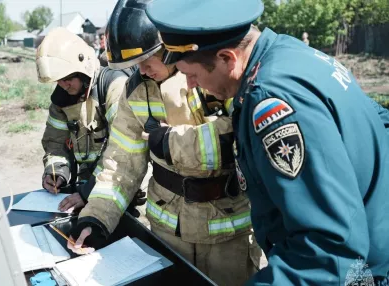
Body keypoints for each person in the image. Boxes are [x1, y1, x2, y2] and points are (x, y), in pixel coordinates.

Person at [145, 0, 389, 284]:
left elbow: (327, 251)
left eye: (192, 75)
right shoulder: (292, 53)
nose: (189, 85)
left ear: (227, 58)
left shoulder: (271, 103)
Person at [67, 1, 261, 285]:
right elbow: (121, 164)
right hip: (168, 233)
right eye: (135, 66)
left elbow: (240, 138)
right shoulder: (135, 92)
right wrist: (96, 218)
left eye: (147, 61)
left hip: (228, 236)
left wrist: (171, 143)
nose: (142, 71)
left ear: (169, 44)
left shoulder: (211, 72)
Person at [36, 27, 143, 214]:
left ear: (83, 66)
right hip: (83, 188)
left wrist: (88, 192)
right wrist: (56, 172)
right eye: (58, 80)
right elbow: (55, 143)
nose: (64, 85)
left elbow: (122, 151)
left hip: (113, 184)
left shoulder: (113, 87)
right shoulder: (61, 99)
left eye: (68, 78)